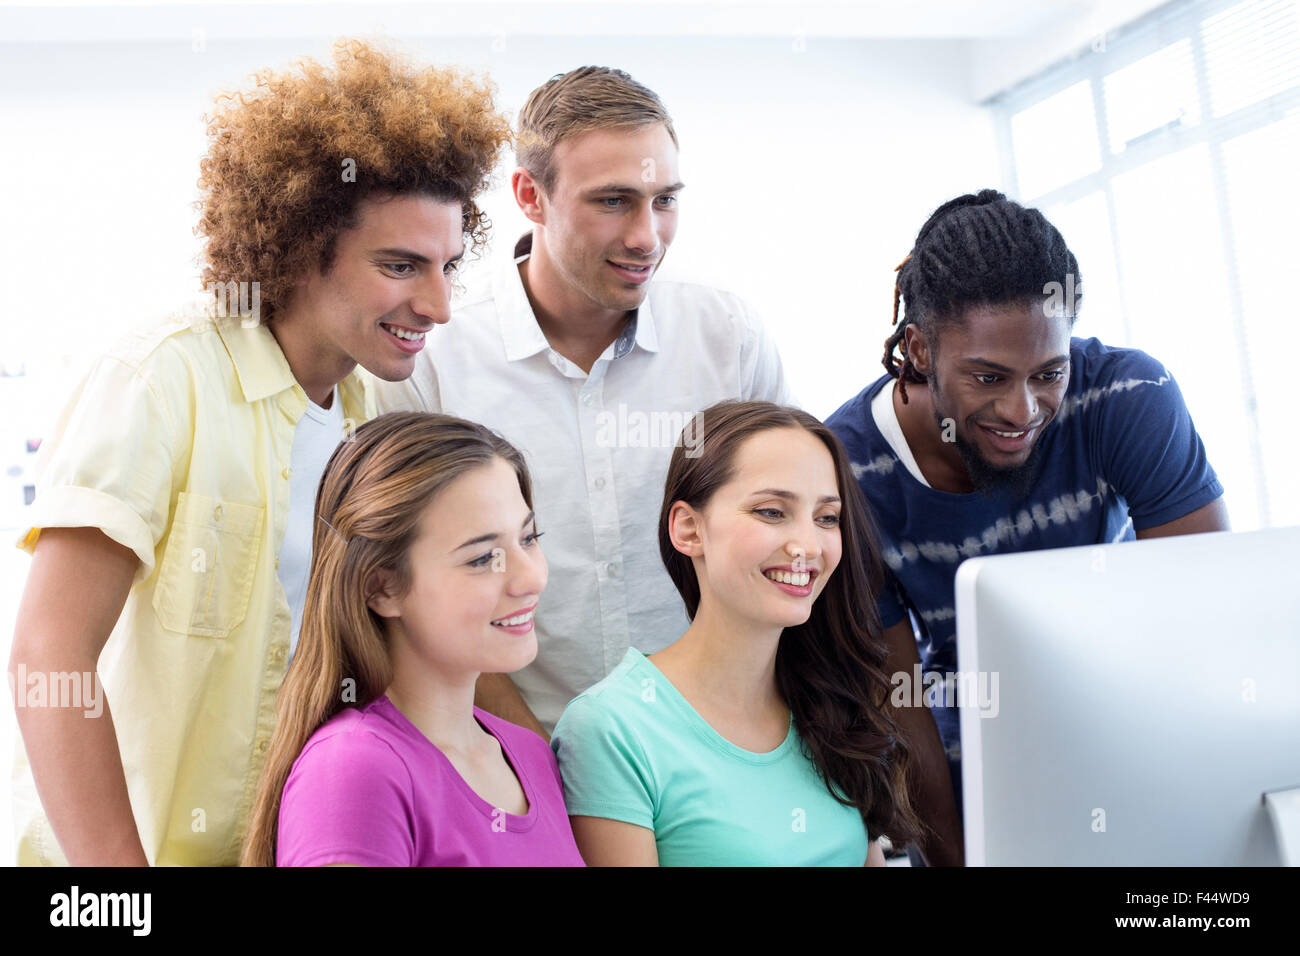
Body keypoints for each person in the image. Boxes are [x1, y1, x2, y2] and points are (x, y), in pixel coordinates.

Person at [8, 39, 511, 866]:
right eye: (401, 265)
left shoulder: (380, 412)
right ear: (299, 249)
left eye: (449, 266)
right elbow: (47, 657)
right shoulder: (159, 381)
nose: (440, 304)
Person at [371, 66, 790, 741]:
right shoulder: (436, 358)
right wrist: (531, 765)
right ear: (529, 195)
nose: (646, 236)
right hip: (516, 762)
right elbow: (403, 593)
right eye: (614, 201)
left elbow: (795, 540)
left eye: (665, 199)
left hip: (716, 746)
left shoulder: (727, 339)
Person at [825, 189, 1229, 865]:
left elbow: (1201, 620)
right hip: (970, 767)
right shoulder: (846, 468)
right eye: (988, 376)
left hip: (1132, 724)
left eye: (1049, 373)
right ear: (919, 349)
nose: (1023, 409)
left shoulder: (1126, 397)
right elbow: (901, 704)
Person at [551, 401, 925, 866]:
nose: (808, 546)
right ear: (689, 529)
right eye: (771, 512)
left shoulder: (832, 703)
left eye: (826, 518)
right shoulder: (611, 731)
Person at [240, 413, 584, 867]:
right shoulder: (352, 772)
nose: (531, 577)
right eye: (483, 558)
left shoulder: (530, 754)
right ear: (382, 587)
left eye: (529, 538)